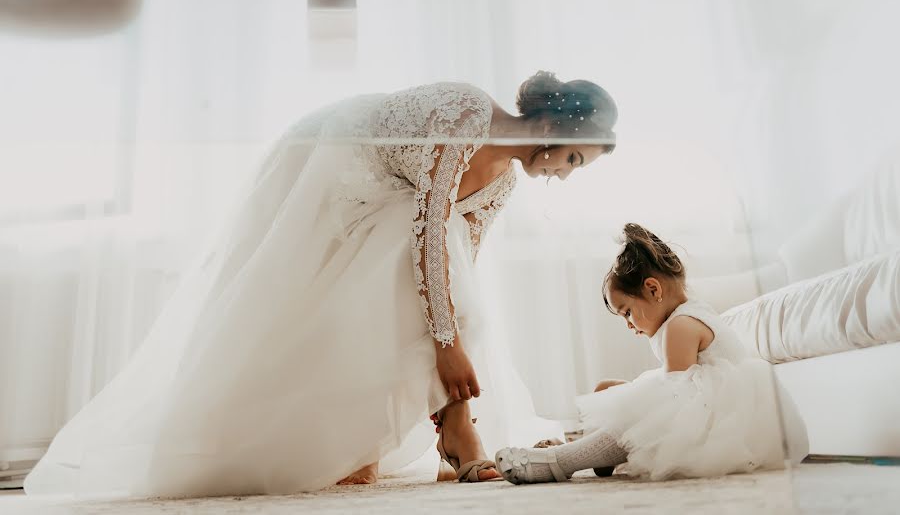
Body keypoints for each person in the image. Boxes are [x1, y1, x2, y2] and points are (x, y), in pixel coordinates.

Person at [24, 71, 617, 497]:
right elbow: (427, 231)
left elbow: (458, 261)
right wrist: (445, 347)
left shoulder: (504, 184)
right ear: (552, 126)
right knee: (375, 277)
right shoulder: (466, 114)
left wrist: (456, 335)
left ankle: (441, 427)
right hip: (336, 160)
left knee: (442, 288)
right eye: (572, 159)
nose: (564, 175)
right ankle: (450, 432)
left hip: (404, 211)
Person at [495, 223, 808, 484]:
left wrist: (632, 401)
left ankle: (561, 460)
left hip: (720, 422)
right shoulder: (682, 316)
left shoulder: (682, 325)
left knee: (633, 413)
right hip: (698, 401)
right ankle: (589, 450)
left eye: (627, 312)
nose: (629, 325)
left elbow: (675, 402)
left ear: (653, 290)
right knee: (607, 390)